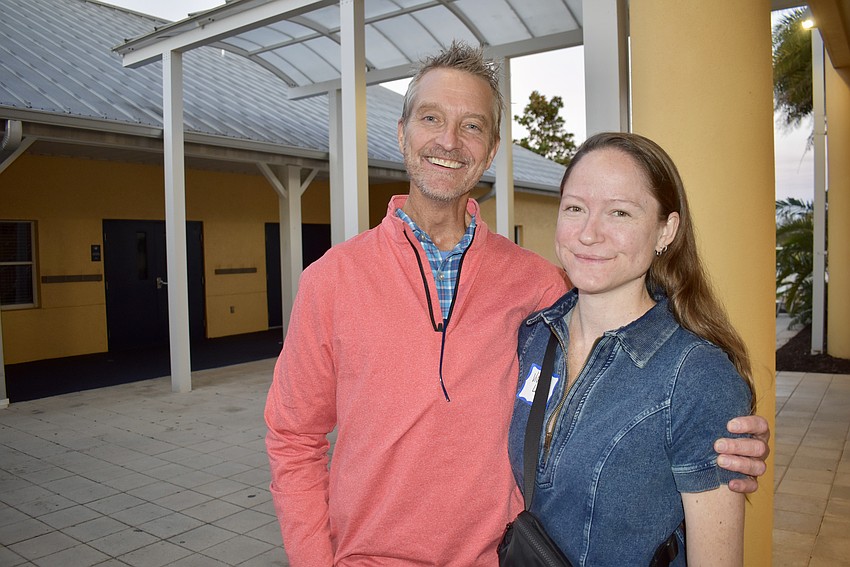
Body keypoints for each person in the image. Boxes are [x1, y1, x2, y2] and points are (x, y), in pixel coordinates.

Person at [265, 41, 770, 566]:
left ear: (492, 148)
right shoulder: (330, 281)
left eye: (473, 125)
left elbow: (631, 316)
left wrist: (715, 425)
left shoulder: (538, 286)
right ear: (402, 132)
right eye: (431, 117)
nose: (449, 140)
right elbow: (292, 437)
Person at [508, 132, 759, 566]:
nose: (589, 234)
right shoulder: (534, 337)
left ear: (666, 230)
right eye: (575, 208)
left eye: (620, 212)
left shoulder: (698, 377)